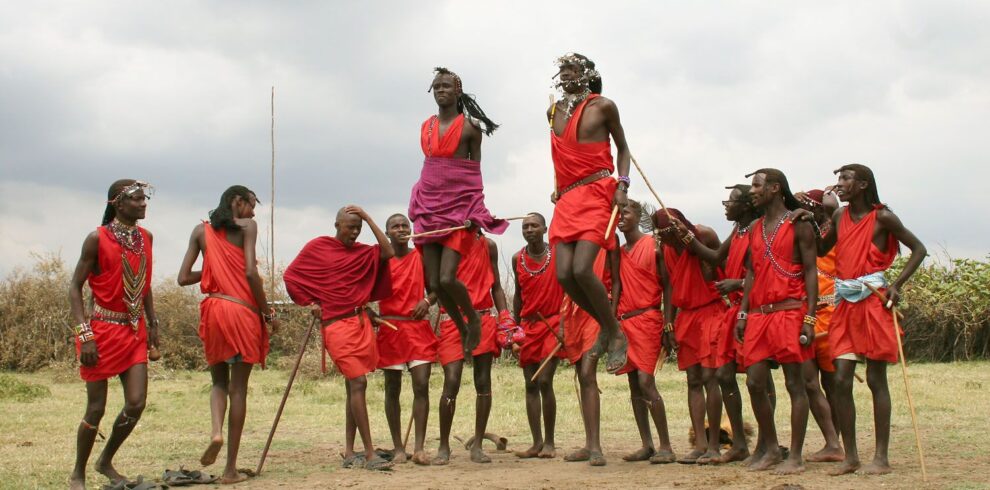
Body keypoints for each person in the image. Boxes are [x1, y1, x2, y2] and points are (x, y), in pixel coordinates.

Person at [814, 164, 927, 475]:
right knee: (840, 379)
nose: (839, 184)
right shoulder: (839, 217)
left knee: (877, 380)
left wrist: (896, 285)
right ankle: (850, 457)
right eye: (838, 179)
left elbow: (919, 249)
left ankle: (881, 458)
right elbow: (823, 247)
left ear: (863, 184)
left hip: (874, 303)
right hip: (845, 306)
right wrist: (819, 216)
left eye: (845, 179)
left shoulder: (883, 217)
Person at [176, 185, 277, 483]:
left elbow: (183, 278)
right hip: (241, 310)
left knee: (218, 382)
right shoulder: (248, 227)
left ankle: (216, 431)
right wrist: (267, 312)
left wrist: (212, 270)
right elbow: (249, 272)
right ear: (237, 201)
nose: (254, 212)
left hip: (214, 309)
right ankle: (230, 469)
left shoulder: (200, 231)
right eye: (251, 204)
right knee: (239, 389)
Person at [283, 206, 395, 471]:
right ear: (337, 225)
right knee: (358, 382)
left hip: (359, 323)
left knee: (353, 386)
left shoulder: (362, 251)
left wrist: (369, 218)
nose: (355, 232)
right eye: (350, 227)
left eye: (359, 227)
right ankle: (369, 454)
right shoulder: (318, 247)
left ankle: (348, 451)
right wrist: (310, 302)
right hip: (335, 325)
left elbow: (389, 252)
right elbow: (291, 276)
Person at [408, 67, 507, 362]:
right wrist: (417, 197)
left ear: (458, 91)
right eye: (436, 86)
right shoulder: (426, 125)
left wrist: (475, 208)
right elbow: (428, 167)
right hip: (428, 205)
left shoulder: (470, 128)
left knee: (449, 277)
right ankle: (463, 326)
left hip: (457, 209)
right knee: (435, 283)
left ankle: (473, 321)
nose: (440, 90)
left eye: (446, 86)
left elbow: (473, 173)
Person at [68, 180, 159, 489]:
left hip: (135, 331)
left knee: (136, 403)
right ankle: (78, 473)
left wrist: (154, 325)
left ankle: (105, 460)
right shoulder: (97, 238)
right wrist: (85, 335)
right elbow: (74, 288)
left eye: (144, 198)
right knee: (96, 407)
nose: (143, 203)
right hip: (102, 332)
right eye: (136, 199)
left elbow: (144, 286)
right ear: (118, 204)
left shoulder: (146, 237)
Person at [548, 52, 631, 373]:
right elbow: (559, 154)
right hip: (568, 198)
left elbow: (623, 148)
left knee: (583, 269)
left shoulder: (603, 106)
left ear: (585, 74)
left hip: (598, 190)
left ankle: (615, 334)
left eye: (571, 69)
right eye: (562, 70)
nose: (565, 75)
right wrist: (558, 185)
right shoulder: (553, 110)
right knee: (564, 274)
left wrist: (622, 185)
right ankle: (608, 328)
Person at [734, 169, 818, 474]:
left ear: (775, 188)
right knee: (755, 382)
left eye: (757, 185)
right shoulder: (755, 226)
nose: (752, 191)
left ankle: (795, 456)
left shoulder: (800, 224)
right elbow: (752, 273)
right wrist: (743, 312)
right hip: (759, 314)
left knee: (795, 384)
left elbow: (811, 270)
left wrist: (809, 317)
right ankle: (770, 449)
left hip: (790, 310)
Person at [677, 185, 765, 464]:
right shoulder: (738, 231)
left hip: (755, 309)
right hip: (735, 310)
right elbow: (715, 257)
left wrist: (738, 283)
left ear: (746, 206)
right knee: (725, 377)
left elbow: (764, 271)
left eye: (731, 201)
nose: (726, 206)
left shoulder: (758, 230)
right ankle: (739, 442)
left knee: (759, 380)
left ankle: (766, 444)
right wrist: (689, 238)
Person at [654, 208, 726, 464]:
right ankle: (700, 443)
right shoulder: (665, 249)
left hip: (711, 311)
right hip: (686, 316)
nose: (668, 242)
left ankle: (715, 446)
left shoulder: (704, 234)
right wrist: (669, 323)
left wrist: (690, 242)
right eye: (664, 238)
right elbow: (669, 285)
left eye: (671, 235)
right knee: (693, 380)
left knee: (711, 377)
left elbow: (720, 264)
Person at [433, 230, 508, 465]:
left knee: (483, 380)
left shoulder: (489, 245)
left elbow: (495, 285)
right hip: (453, 319)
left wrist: (505, 316)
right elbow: (439, 284)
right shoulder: (446, 243)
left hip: (484, 318)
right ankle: (443, 446)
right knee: (452, 380)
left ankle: (477, 445)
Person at [614, 201, 676, 464]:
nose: (620, 217)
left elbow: (669, 286)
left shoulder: (654, 246)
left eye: (625, 212)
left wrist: (669, 324)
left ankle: (666, 446)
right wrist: (611, 322)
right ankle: (646, 444)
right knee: (633, 385)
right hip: (625, 321)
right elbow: (616, 285)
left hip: (649, 318)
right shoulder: (617, 251)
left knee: (645, 382)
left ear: (638, 216)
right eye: (616, 213)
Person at [376, 213, 438, 465]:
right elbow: (362, 288)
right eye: (395, 226)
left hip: (417, 328)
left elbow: (437, 289)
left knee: (421, 385)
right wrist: (368, 313)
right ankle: (399, 447)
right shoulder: (380, 260)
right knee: (392, 388)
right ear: (387, 232)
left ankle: (420, 447)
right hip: (390, 328)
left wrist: (426, 300)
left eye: (405, 226)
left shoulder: (420, 257)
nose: (401, 229)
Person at [793, 189, 844, 463]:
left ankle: (835, 442)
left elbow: (836, 211)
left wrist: (829, 200)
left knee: (833, 383)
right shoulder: (801, 234)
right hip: (804, 313)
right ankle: (832, 441)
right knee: (809, 382)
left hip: (831, 314)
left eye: (802, 205)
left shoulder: (834, 231)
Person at [510, 213, 565, 459]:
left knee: (544, 381)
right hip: (529, 326)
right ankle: (536, 443)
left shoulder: (558, 253)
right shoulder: (517, 258)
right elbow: (519, 297)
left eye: (534, 225)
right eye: (525, 226)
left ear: (544, 229)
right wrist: (514, 331)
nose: (529, 229)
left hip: (553, 323)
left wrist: (564, 323)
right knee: (530, 384)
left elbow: (568, 290)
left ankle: (551, 442)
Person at [560, 247, 619, 466]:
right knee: (581, 374)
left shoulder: (605, 235)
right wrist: (561, 322)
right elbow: (564, 284)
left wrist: (610, 321)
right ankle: (589, 443)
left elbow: (616, 279)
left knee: (587, 373)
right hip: (573, 313)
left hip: (597, 309)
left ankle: (595, 447)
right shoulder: (566, 239)